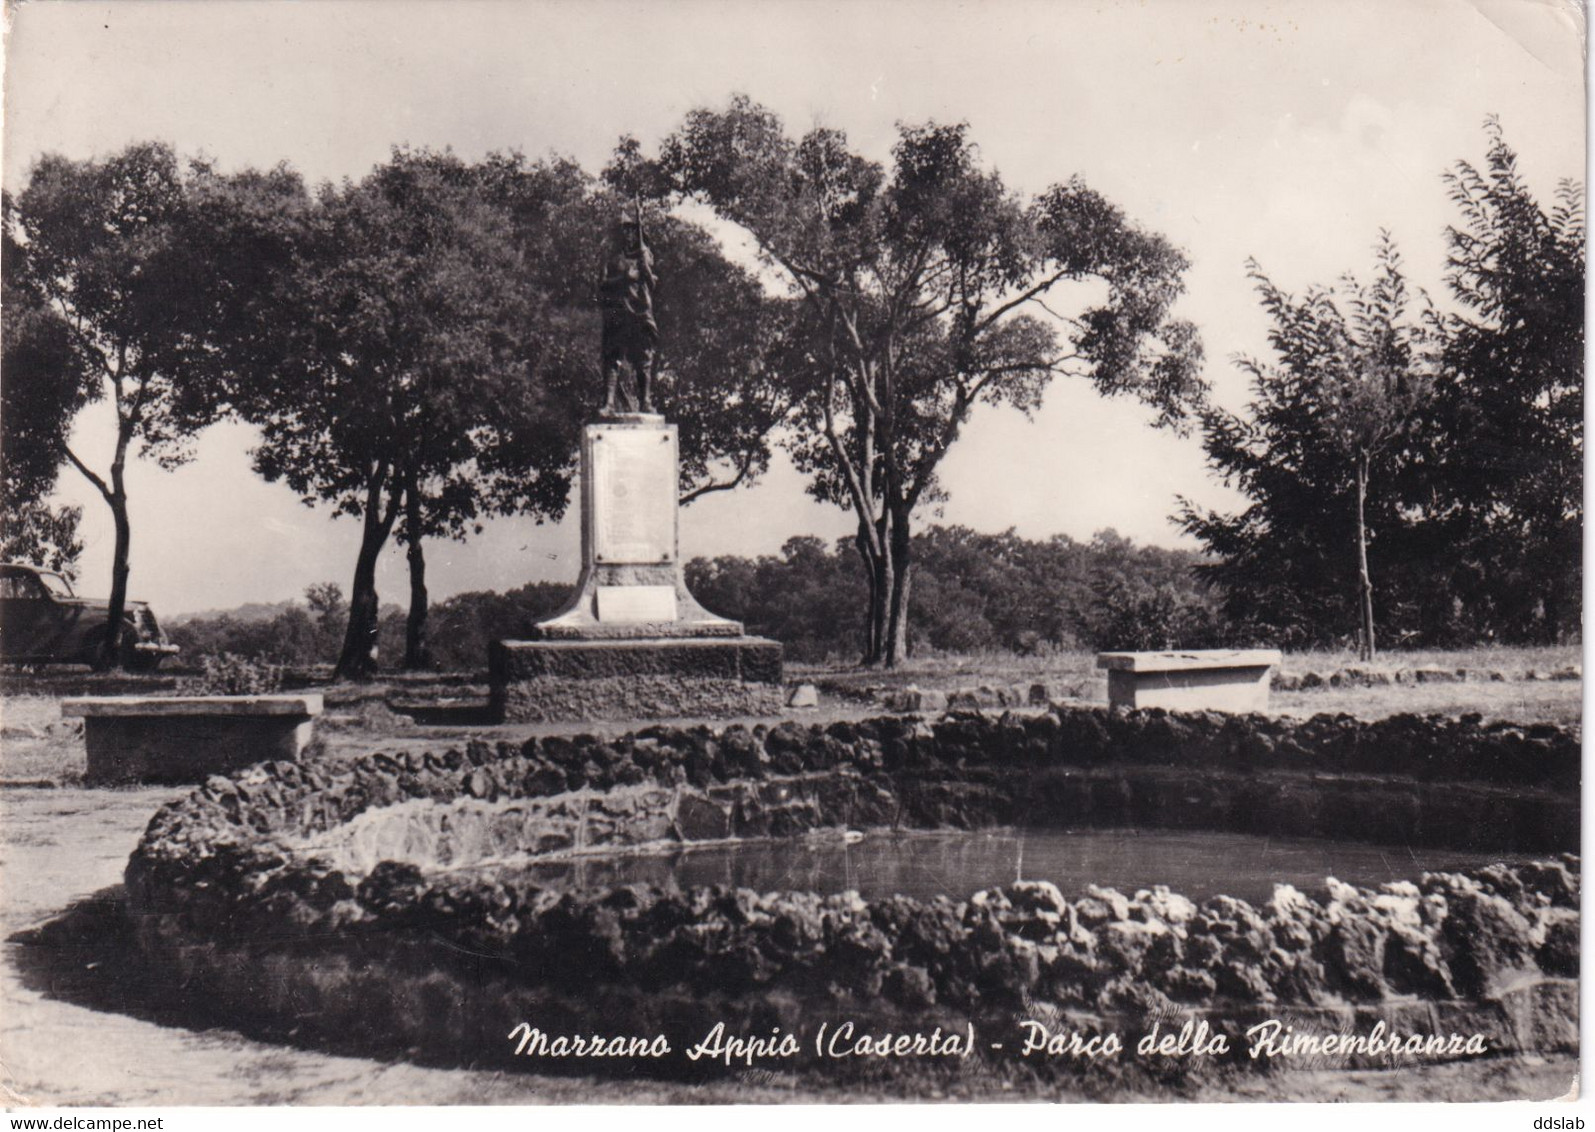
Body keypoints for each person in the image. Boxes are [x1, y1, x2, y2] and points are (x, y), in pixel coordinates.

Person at [598, 212, 659, 414]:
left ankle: (646, 401)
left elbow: (651, 284)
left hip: (640, 311)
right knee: (612, 357)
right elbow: (602, 285)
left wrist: (645, 267)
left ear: (638, 232)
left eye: (632, 230)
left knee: (644, 360)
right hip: (618, 311)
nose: (628, 234)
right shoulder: (612, 258)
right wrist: (624, 277)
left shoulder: (646, 255)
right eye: (624, 230)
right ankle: (609, 403)